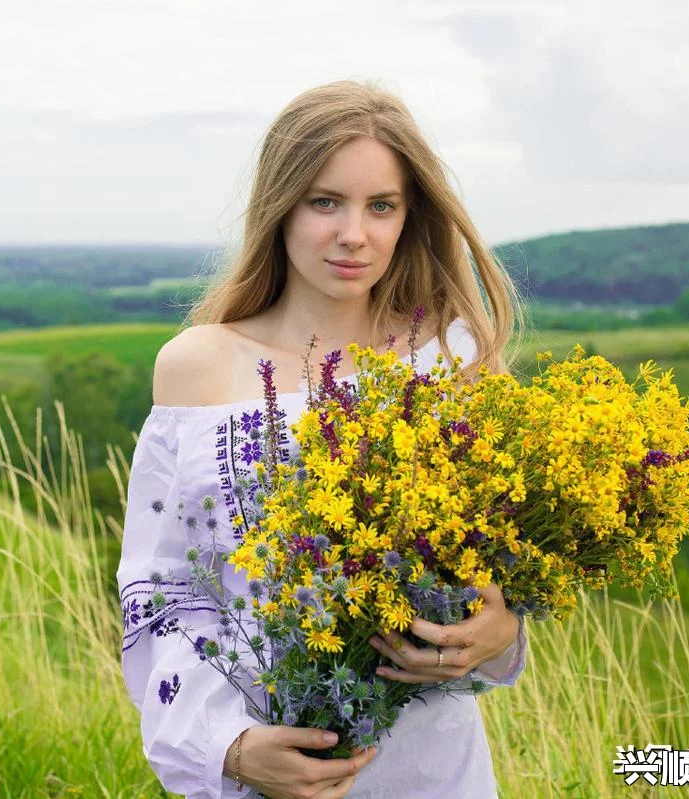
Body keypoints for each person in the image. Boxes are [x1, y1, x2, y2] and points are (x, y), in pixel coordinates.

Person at [118, 79, 529, 799]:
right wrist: (231, 747)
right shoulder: (198, 367)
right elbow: (161, 594)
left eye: (381, 206)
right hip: (270, 775)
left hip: (435, 769)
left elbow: (500, 565)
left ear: (409, 216)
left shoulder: (447, 354)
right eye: (325, 201)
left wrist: (501, 634)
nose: (353, 234)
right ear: (279, 206)